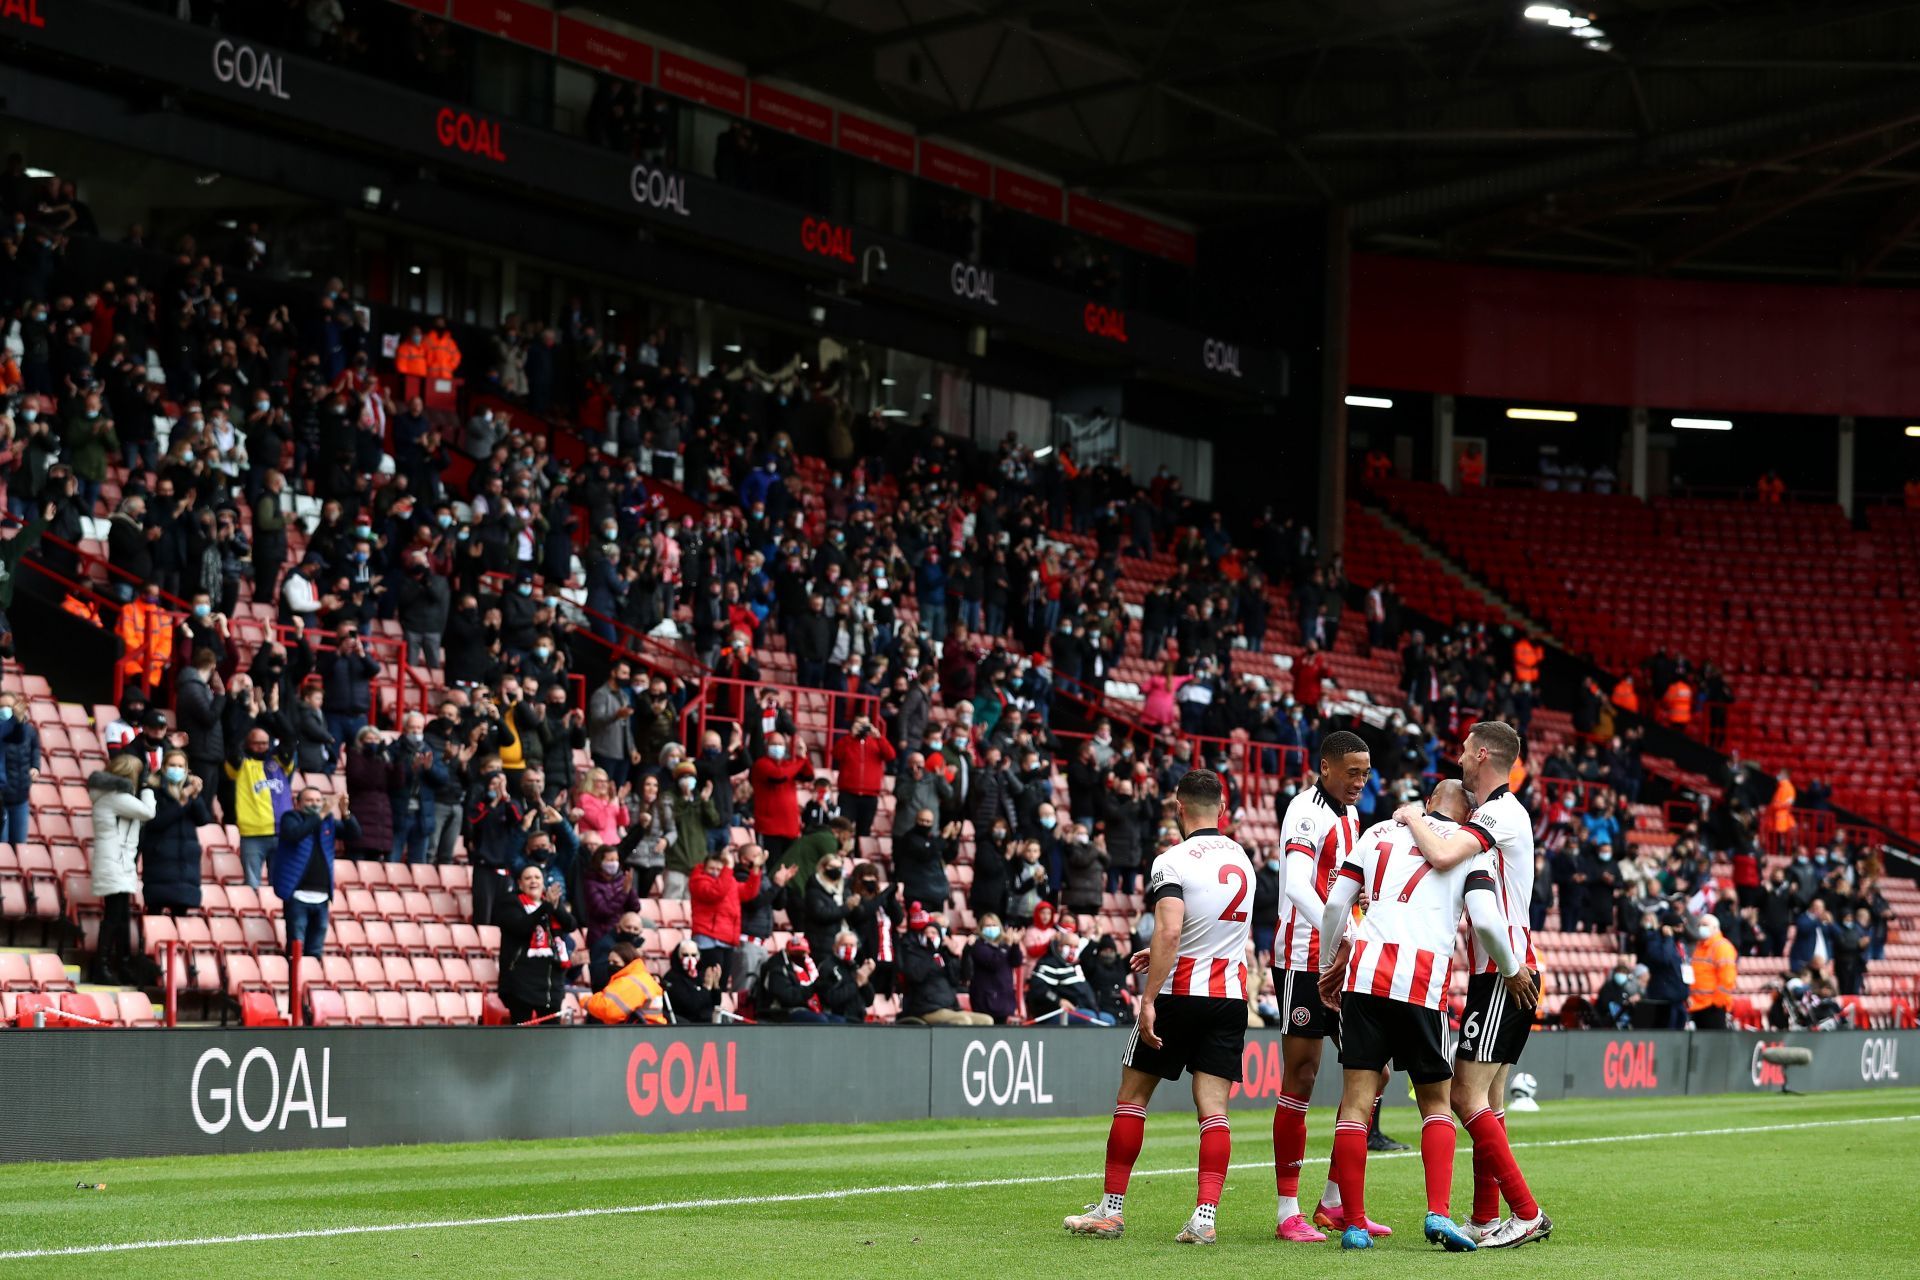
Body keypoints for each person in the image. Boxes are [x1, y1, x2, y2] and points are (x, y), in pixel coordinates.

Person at [1314, 779, 1531, 1252]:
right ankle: (1437, 1214)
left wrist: (1334, 956)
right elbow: (1488, 921)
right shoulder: (1470, 851)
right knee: (1436, 1104)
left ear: (1429, 802)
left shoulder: (1375, 834)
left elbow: (1335, 905)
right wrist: (1512, 971)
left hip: (1365, 976)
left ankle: (1352, 1223)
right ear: (1469, 813)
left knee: (1355, 1103)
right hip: (1421, 982)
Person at [1062, 770, 1253, 1245]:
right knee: (1213, 1109)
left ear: (1178, 806)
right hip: (1229, 995)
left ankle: (1111, 1210)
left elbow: (1170, 930)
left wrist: (1148, 998)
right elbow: (1215, 930)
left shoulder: (1172, 860)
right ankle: (1204, 1219)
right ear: (1222, 808)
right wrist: (1170, 948)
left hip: (1179, 994)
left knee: (1132, 1097)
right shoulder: (1243, 858)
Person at [1391, 719, 1549, 1249]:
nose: (1458, 754)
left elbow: (1440, 856)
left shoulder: (1500, 813)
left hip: (1504, 971)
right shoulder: (1498, 813)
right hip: (1504, 966)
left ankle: (1525, 1212)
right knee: (1490, 1098)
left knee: (1464, 1095)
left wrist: (1412, 816)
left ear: (1483, 754)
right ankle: (1485, 1218)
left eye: (1463, 748)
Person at [1270, 729, 1382, 1243]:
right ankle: (1286, 1210)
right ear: (1325, 768)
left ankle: (1332, 1202)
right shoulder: (1307, 812)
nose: (1361, 781)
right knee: (1303, 1075)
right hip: (1302, 960)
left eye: (1365, 771)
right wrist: (1343, 935)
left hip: (1342, 958)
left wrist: (1355, 933)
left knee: (1373, 1073)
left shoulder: (1351, 814)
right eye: (1352, 772)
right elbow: (1297, 886)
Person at [88, 754, 156, 983]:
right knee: (113, 917)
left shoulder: (111, 797)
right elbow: (148, 812)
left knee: (120, 916)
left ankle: (119, 964)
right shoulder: (114, 797)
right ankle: (102, 966)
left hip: (119, 863)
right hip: (114, 863)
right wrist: (147, 788)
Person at [274, 786, 359, 960]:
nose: (315, 804)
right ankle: (293, 985)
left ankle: (309, 984)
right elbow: (295, 834)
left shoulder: (327, 820)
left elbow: (355, 834)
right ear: (297, 804)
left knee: (315, 951)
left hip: (321, 898)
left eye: (318, 801)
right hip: (297, 896)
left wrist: (345, 813)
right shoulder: (290, 818)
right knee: (295, 949)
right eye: (309, 800)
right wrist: (321, 814)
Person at [496, 863, 576, 1024]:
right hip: (521, 983)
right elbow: (522, 927)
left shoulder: (551, 903)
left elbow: (571, 925)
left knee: (550, 1038)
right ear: (519, 883)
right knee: (522, 1036)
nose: (533, 881)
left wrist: (555, 907)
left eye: (537, 877)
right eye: (528, 878)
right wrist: (546, 907)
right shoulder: (510, 902)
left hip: (551, 984)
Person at [140, 750, 211, 918]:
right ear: (164, 767)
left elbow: (203, 818)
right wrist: (182, 800)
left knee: (181, 917)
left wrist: (194, 794)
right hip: (159, 862)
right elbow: (156, 821)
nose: (176, 769)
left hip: (185, 866)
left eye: (181, 766)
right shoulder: (153, 790)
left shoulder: (189, 790)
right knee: (155, 916)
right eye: (172, 765)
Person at [898, 901, 992, 1026]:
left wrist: (965, 953)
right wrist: (930, 953)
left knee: (987, 1021)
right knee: (963, 1021)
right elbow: (916, 976)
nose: (930, 936)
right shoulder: (913, 953)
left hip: (950, 1006)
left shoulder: (945, 954)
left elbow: (962, 978)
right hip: (926, 1008)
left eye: (934, 933)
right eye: (927, 933)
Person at [226, 721, 296, 889]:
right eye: (256, 743)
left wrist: (272, 714)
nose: (261, 747)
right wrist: (249, 716)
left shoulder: (280, 762)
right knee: (252, 884)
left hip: (281, 832)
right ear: (248, 744)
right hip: (252, 834)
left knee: (279, 883)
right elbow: (233, 745)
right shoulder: (241, 765)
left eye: (264, 743)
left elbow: (290, 738)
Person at [689, 845, 763, 982]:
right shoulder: (699, 881)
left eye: (719, 869)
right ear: (704, 868)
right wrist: (728, 868)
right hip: (708, 937)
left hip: (727, 938)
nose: (716, 872)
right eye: (712, 869)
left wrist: (756, 870)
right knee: (710, 979)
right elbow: (716, 892)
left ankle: (718, 1003)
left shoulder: (728, 880)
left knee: (722, 981)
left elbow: (748, 892)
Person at [1027, 930, 1113, 1026]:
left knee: (1109, 1019)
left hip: (1084, 1010)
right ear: (1059, 946)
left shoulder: (1074, 966)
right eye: (1069, 945)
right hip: (1055, 1014)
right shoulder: (1049, 963)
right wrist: (1058, 1000)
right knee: (1090, 1017)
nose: (1073, 950)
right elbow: (1037, 989)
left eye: (1076, 947)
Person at [830, 713, 895, 837]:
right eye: (859, 724)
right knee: (843, 830)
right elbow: (836, 754)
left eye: (865, 724)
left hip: (870, 795)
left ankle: (860, 856)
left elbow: (890, 755)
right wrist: (850, 736)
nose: (862, 727)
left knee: (864, 833)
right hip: (848, 794)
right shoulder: (847, 740)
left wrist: (879, 737)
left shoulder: (876, 742)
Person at [756, 935, 843, 1023]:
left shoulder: (808, 966)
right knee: (820, 1021)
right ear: (788, 952)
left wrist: (827, 985)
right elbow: (789, 998)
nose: (799, 955)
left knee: (839, 1021)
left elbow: (819, 992)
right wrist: (815, 987)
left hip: (809, 1008)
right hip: (784, 1011)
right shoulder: (778, 968)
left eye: (802, 952)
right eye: (795, 952)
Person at [583, 941, 668, 1025]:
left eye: (615, 962)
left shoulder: (631, 982)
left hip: (640, 1032)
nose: (611, 965)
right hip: (651, 1030)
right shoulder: (642, 977)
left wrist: (585, 1000)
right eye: (609, 962)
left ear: (627, 962)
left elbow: (609, 1010)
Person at [0, 688, 41, 844]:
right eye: (1, 707)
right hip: (2, 798)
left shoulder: (28, 730)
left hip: (20, 797)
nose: (5, 711)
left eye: (9, 707)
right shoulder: (3, 730)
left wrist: (35, 767)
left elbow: (35, 749)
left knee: (19, 845)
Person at [965, 915, 1023, 1024]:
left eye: (994, 925)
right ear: (981, 928)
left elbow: (1016, 962)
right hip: (985, 1000)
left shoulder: (1003, 944)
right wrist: (1007, 945)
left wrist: (1015, 944)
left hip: (1005, 998)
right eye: (988, 925)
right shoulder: (978, 946)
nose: (991, 928)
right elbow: (994, 963)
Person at [1688, 913, 1738, 1029]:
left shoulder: (1722, 947)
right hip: (1697, 1005)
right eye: (1700, 925)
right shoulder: (1699, 947)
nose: (1701, 927)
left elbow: (1727, 979)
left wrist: (1717, 1002)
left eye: (1705, 925)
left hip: (1712, 1007)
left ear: (1715, 928)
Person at [665, 939, 725, 1024]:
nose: (690, 959)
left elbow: (715, 1004)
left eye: (693, 955)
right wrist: (706, 988)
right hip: (687, 1025)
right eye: (685, 955)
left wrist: (715, 986)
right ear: (678, 956)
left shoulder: (700, 975)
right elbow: (691, 1007)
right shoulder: (672, 978)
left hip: (707, 1022)